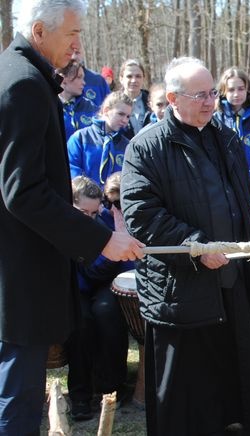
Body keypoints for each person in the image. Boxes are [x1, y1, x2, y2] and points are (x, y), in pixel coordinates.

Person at [0, 1, 144, 433]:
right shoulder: (23, 83)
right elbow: (22, 192)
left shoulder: (21, 72)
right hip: (20, 266)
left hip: (19, 259)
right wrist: (99, 239)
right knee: (18, 393)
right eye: (72, 35)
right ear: (40, 32)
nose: (79, 46)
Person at [121, 56, 250, 435]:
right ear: (173, 98)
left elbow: (239, 202)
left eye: (213, 93)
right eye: (200, 95)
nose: (211, 102)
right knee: (186, 400)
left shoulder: (225, 136)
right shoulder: (145, 148)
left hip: (230, 278)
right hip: (181, 291)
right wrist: (195, 246)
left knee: (234, 380)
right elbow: (141, 216)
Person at [66, 175, 133, 421]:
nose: (90, 219)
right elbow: (87, 267)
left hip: (104, 283)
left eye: (94, 213)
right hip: (76, 287)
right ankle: (80, 396)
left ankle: (112, 386)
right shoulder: (61, 224)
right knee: (81, 322)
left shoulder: (108, 219)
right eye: (84, 213)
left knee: (108, 313)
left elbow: (123, 261)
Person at [68, 91, 133, 188]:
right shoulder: (81, 138)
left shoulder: (127, 145)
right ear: (106, 110)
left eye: (128, 116)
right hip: (84, 198)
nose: (125, 120)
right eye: (120, 114)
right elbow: (72, 169)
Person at [214, 67, 250, 169]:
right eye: (231, 90)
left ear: (248, 90)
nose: (236, 94)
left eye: (241, 89)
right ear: (223, 92)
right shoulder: (215, 120)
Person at [59, 60, 98, 140]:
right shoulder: (51, 105)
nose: (84, 83)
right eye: (79, 77)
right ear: (63, 79)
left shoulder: (90, 106)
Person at [118, 58, 149, 138]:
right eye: (129, 76)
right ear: (121, 79)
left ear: (143, 79)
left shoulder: (152, 101)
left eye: (138, 76)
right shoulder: (114, 103)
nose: (134, 80)